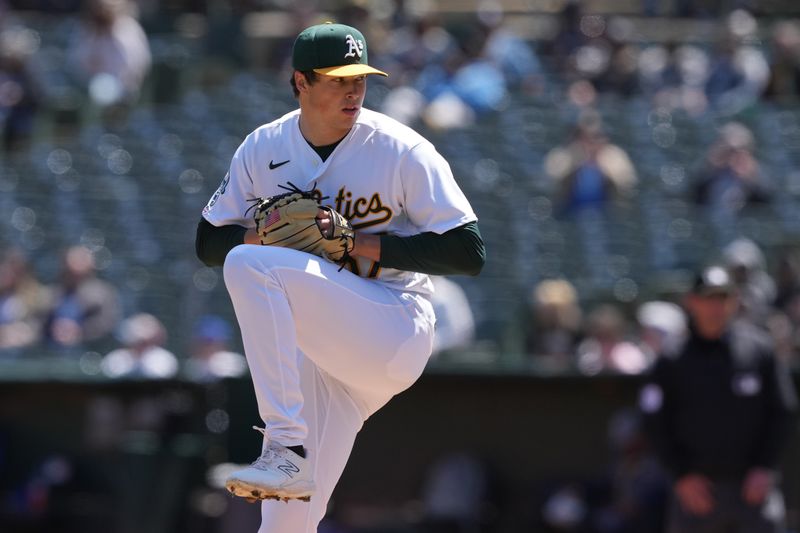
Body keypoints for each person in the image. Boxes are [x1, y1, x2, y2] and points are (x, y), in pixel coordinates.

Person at [195, 22, 484, 532]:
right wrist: (269, 235)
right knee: (284, 525)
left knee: (249, 266)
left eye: (360, 78)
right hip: (324, 358)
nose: (353, 90)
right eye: (337, 78)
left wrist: (356, 244)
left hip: (391, 324)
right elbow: (207, 240)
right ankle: (289, 459)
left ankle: (285, 446)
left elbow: (468, 251)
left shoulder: (400, 148)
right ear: (301, 82)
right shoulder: (264, 147)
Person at [640, 265, 797, 533]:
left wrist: (764, 466)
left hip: (752, 489)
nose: (716, 307)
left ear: (734, 302)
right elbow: (653, 420)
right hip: (697, 494)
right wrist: (681, 475)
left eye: (723, 298)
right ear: (692, 302)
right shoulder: (671, 360)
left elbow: (784, 410)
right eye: (708, 298)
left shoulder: (758, 351)